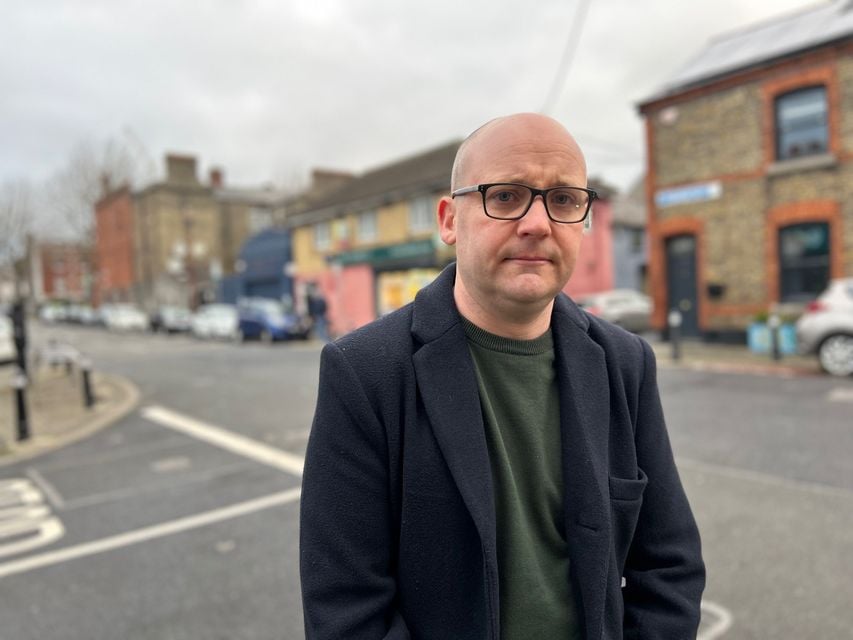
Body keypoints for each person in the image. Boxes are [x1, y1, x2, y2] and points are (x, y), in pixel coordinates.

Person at [300, 113, 705, 639]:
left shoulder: (625, 363)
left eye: (563, 200)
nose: (538, 222)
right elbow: (346, 610)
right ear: (448, 220)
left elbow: (669, 568)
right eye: (507, 196)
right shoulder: (364, 372)